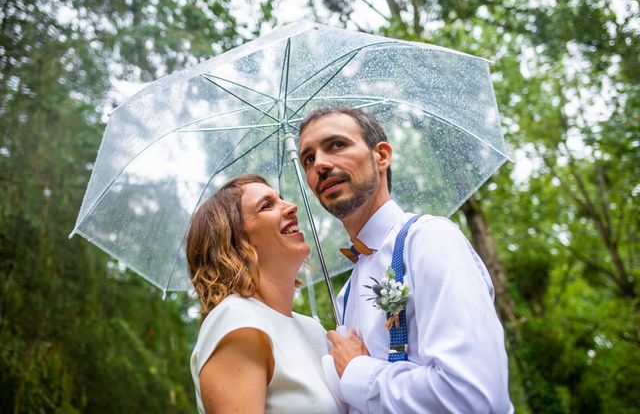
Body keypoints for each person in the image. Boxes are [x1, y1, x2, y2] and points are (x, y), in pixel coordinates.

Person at [298, 107, 513, 413]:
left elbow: (472, 398)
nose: (320, 163)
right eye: (308, 158)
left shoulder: (429, 240)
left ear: (381, 156)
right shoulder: (345, 296)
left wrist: (358, 372)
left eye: (336, 145)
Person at [187, 174, 345, 414]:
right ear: (236, 242)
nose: (292, 207)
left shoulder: (313, 329)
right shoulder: (235, 320)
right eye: (267, 206)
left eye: (281, 199)